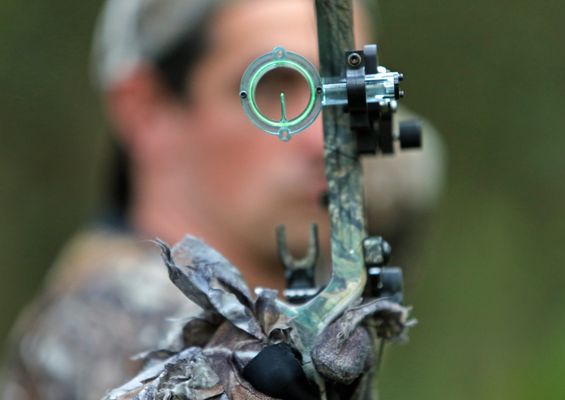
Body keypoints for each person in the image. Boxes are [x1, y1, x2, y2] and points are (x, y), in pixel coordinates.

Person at [0, 0, 444, 399]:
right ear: (147, 109)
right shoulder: (101, 320)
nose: (322, 141)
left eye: (345, 100)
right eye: (278, 88)